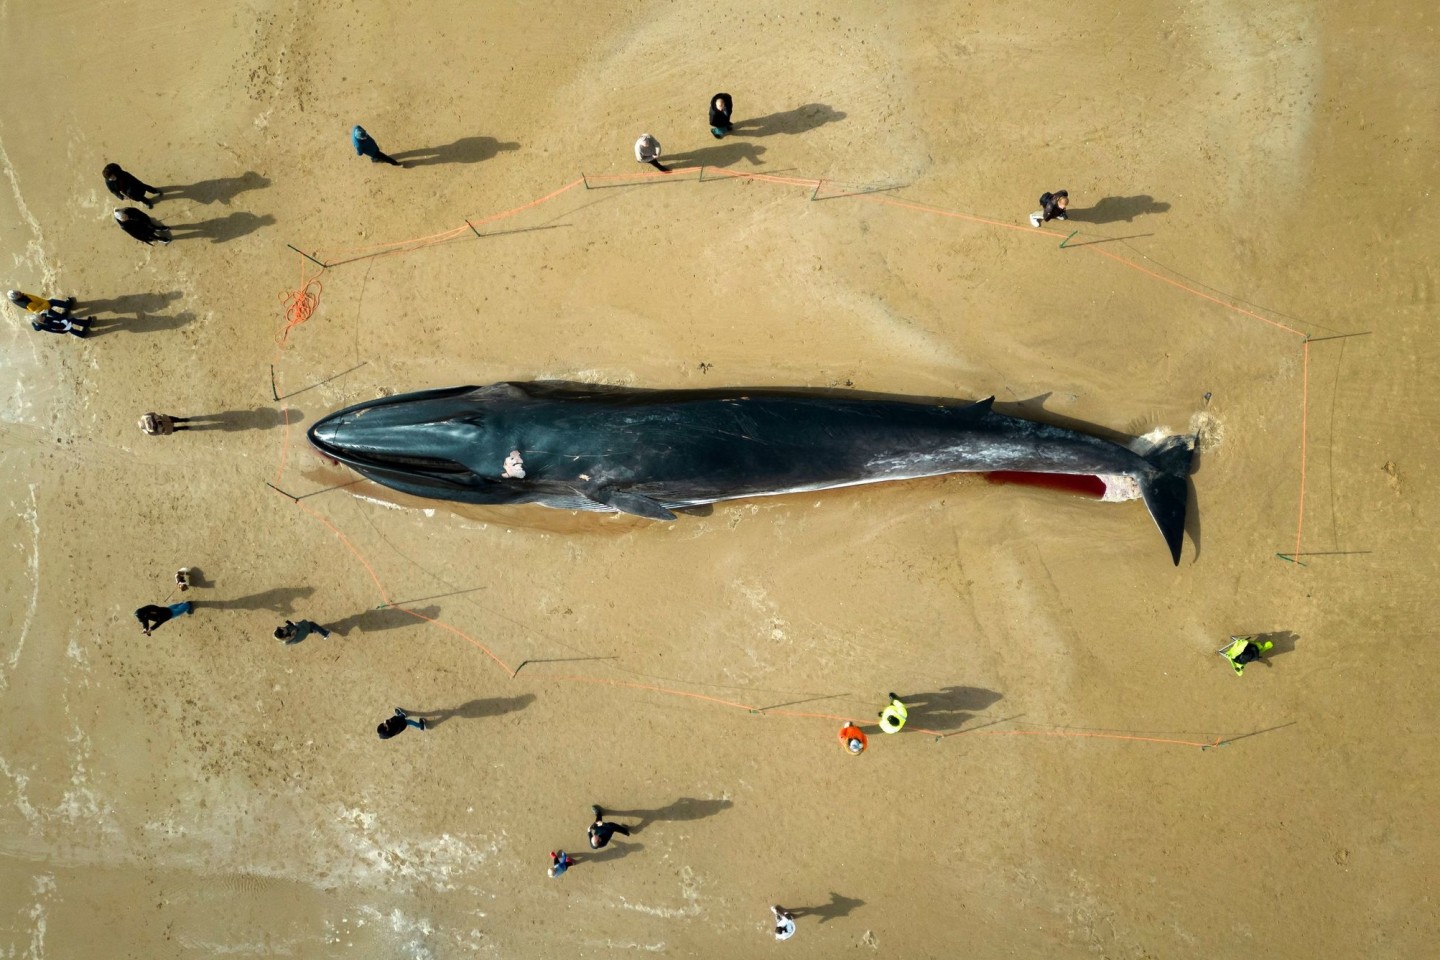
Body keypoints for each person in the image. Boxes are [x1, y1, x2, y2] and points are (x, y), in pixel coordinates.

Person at [7, 290, 75, 317]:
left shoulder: (17, 298)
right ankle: (68, 305)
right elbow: (37, 310)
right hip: (42, 307)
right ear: (17, 297)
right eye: (18, 293)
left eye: (17, 291)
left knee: (51, 313)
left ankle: (63, 317)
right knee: (53, 302)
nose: (19, 292)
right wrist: (46, 303)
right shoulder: (27, 303)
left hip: (40, 304)